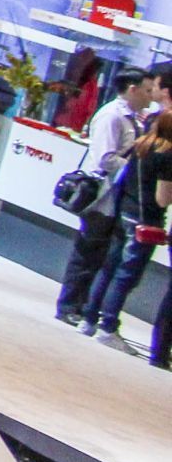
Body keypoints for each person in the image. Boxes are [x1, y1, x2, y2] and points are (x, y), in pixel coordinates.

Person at [60, 68, 162, 324]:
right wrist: (138, 166)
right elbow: (105, 159)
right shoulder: (112, 117)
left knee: (100, 254)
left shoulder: (133, 118)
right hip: (101, 195)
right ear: (132, 89)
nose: (150, 96)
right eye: (147, 90)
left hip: (115, 196)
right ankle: (69, 305)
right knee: (87, 251)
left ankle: (81, 305)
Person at [79, 108, 172, 352]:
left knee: (110, 267)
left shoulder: (141, 145)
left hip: (125, 212)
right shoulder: (167, 154)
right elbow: (163, 199)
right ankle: (108, 326)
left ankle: (89, 318)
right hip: (146, 220)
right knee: (127, 275)